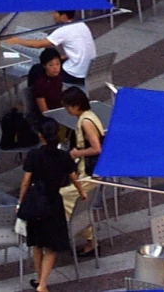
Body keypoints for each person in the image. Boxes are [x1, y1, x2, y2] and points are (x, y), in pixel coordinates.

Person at [19, 118, 86, 292]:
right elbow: (74, 177)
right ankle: (42, 284)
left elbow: (25, 182)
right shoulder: (63, 156)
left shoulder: (34, 155)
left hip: (36, 201)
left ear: (41, 136)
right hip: (53, 203)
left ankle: (40, 279)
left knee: (37, 243)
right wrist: (82, 192)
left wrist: (21, 201)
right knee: (52, 246)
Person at [58, 86, 104, 257]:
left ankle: (88, 237)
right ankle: (88, 237)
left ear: (76, 106)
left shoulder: (85, 122)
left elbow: (96, 148)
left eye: (68, 107)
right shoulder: (89, 116)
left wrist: (77, 153)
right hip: (90, 171)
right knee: (77, 204)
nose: (67, 110)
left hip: (90, 173)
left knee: (66, 197)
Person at [6, 10, 96, 85]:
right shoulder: (82, 25)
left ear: (63, 16)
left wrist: (17, 40)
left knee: (36, 69)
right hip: (88, 70)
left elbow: (39, 45)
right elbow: (82, 48)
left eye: (55, 13)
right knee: (54, 59)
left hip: (74, 74)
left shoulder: (64, 30)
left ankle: (36, 99)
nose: (53, 15)